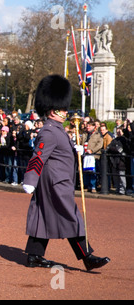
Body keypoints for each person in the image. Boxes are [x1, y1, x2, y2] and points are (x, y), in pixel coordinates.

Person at [22, 74, 110, 272]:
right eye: (62, 109)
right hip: (55, 183)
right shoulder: (49, 131)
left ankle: (34, 256)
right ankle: (87, 257)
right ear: (53, 111)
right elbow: (38, 157)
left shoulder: (57, 129)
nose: (66, 111)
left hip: (59, 181)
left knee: (43, 215)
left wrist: (74, 149)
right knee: (72, 217)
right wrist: (30, 179)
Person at [82, 120, 103, 193]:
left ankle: (93, 186)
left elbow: (100, 145)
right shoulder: (85, 134)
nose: (88, 127)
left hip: (93, 156)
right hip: (85, 155)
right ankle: (86, 185)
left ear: (94, 127)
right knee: (85, 171)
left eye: (89, 126)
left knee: (93, 171)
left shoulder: (98, 134)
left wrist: (92, 150)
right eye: (87, 126)